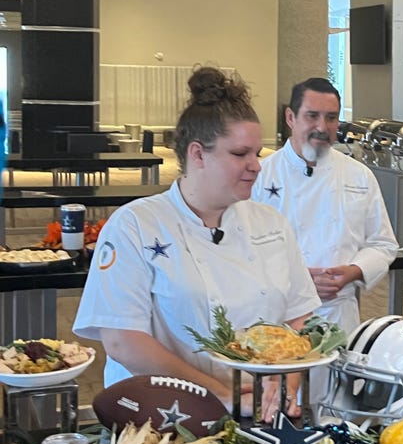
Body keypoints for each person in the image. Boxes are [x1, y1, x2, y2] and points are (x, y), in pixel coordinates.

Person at [73, 66, 320, 421]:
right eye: (240, 154)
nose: (256, 166)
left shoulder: (272, 224)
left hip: (258, 409)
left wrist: (283, 382)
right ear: (198, 154)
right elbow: (122, 340)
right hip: (164, 415)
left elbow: (300, 318)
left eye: (258, 154)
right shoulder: (135, 225)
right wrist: (220, 396)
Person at [251, 77, 398, 335]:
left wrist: (353, 272)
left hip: (338, 314)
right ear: (290, 118)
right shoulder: (259, 176)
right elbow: (240, 250)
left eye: (331, 118)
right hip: (277, 313)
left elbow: (383, 244)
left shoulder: (359, 176)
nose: (322, 127)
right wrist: (297, 279)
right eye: (312, 116)